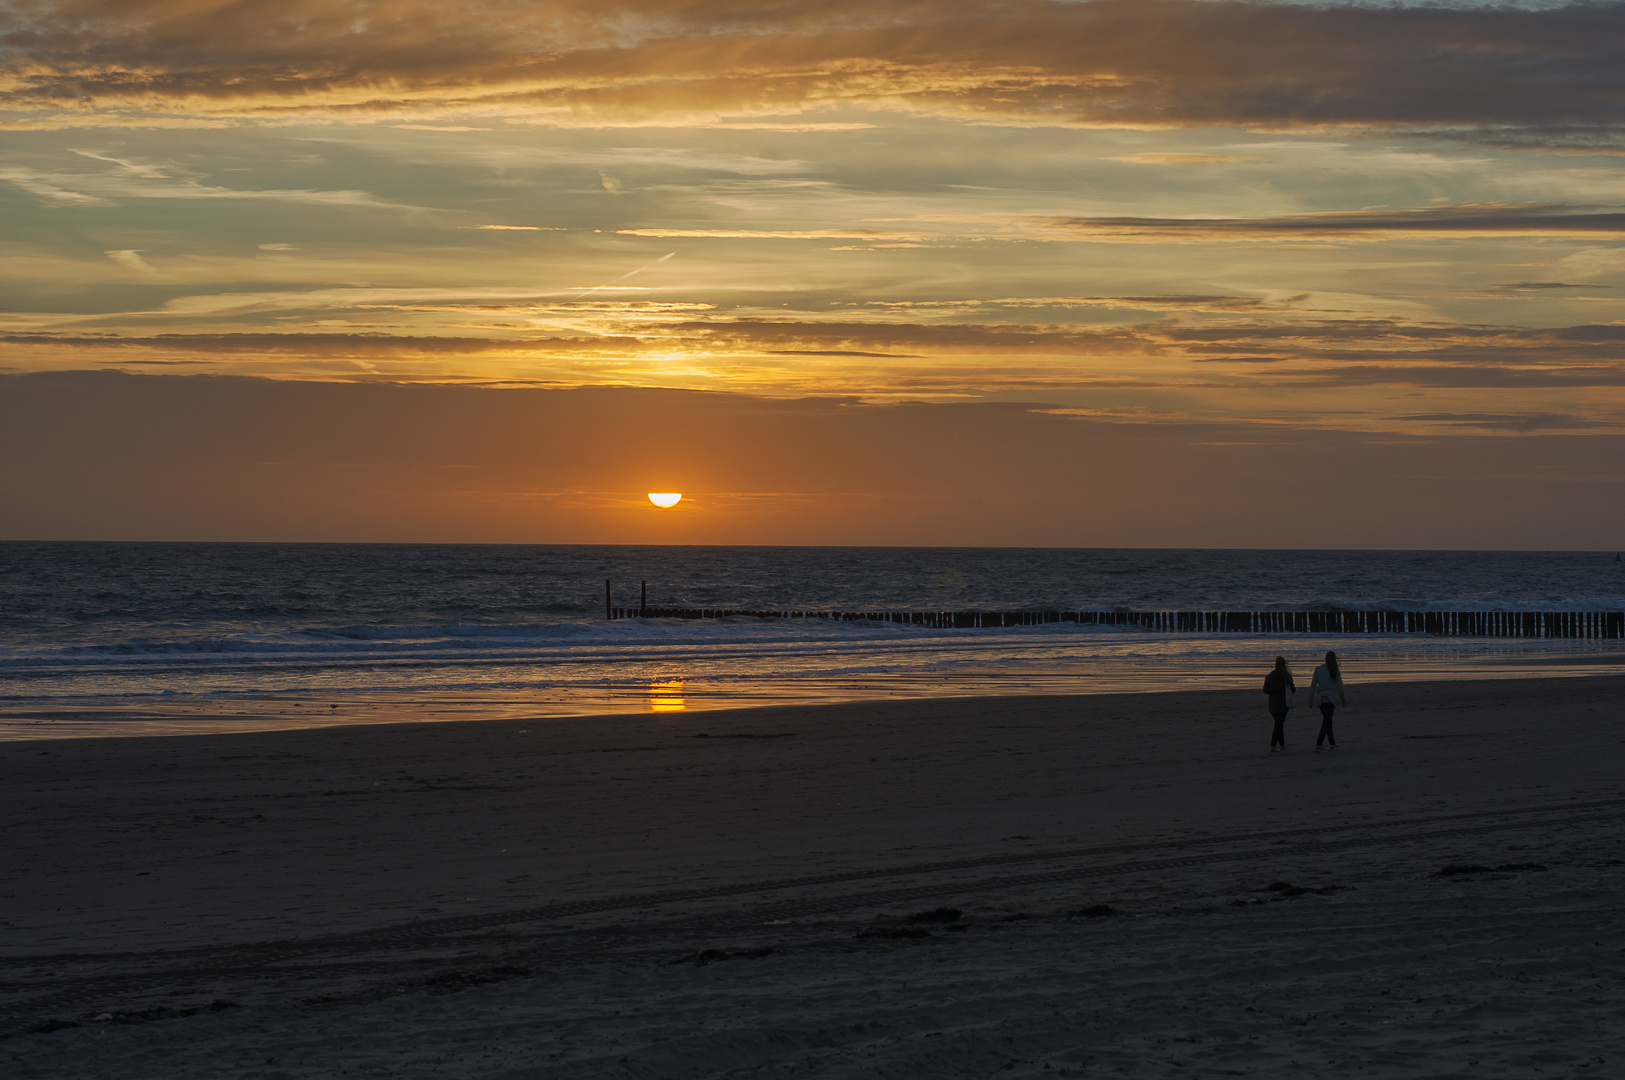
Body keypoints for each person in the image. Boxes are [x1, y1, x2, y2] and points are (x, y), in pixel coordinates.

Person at [1305, 650, 1348, 752]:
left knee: (1328, 721)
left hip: (1321, 699)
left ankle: (1332, 743)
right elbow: (1340, 687)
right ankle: (1319, 743)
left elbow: (1312, 687)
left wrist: (1310, 701)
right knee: (1327, 722)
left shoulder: (1319, 670)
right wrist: (1344, 701)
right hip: (1330, 699)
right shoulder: (1335, 670)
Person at [1261, 656, 1295, 752]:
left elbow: (1265, 690)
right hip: (1284, 703)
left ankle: (1281, 745)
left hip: (1273, 703)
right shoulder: (1287, 676)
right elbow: (1293, 690)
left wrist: (1273, 692)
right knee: (1279, 724)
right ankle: (1274, 745)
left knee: (1278, 723)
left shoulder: (1270, 676)